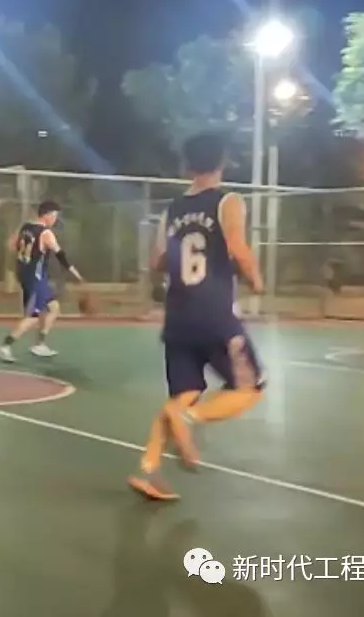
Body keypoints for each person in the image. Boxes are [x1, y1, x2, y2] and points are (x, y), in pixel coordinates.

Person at [127, 131, 265, 501]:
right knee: (250, 388)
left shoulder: (171, 209)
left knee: (184, 393)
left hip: (178, 317)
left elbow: (156, 261)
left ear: (187, 166)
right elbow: (238, 247)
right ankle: (189, 420)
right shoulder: (227, 201)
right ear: (223, 161)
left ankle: (148, 470)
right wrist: (256, 279)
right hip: (216, 315)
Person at [0, 200, 84, 363]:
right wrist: (75, 273)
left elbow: (11, 245)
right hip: (35, 278)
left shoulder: (26, 227)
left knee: (53, 307)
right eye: (54, 216)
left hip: (25, 273)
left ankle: (40, 344)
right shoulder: (46, 233)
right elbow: (61, 256)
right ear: (47, 215)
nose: (55, 219)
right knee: (33, 316)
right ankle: (4, 346)